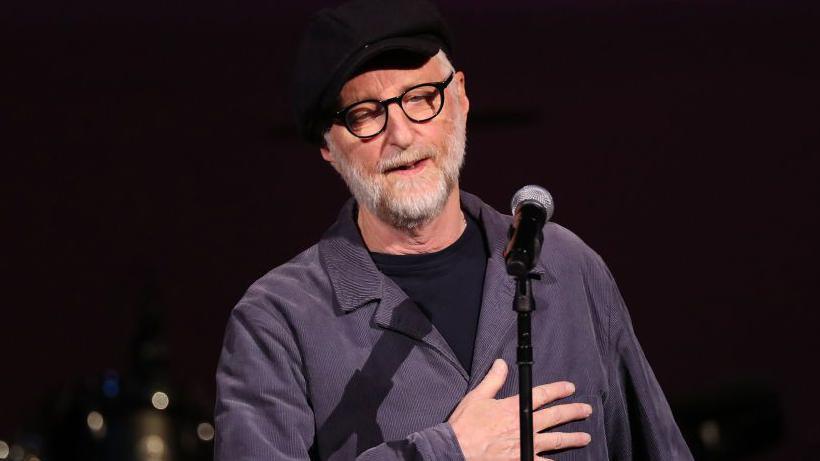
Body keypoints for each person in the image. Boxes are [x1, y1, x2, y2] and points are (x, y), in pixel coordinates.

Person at [214, 0, 693, 459]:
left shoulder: (565, 267)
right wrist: (450, 452)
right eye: (365, 115)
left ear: (461, 97)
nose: (400, 134)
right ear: (328, 145)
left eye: (422, 98)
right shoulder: (279, 319)